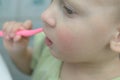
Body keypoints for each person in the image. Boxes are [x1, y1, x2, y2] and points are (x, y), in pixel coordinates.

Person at [2, 0, 120, 80]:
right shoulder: (50, 46)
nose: (45, 15)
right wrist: (19, 52)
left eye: (68, 10)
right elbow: (32, 68)